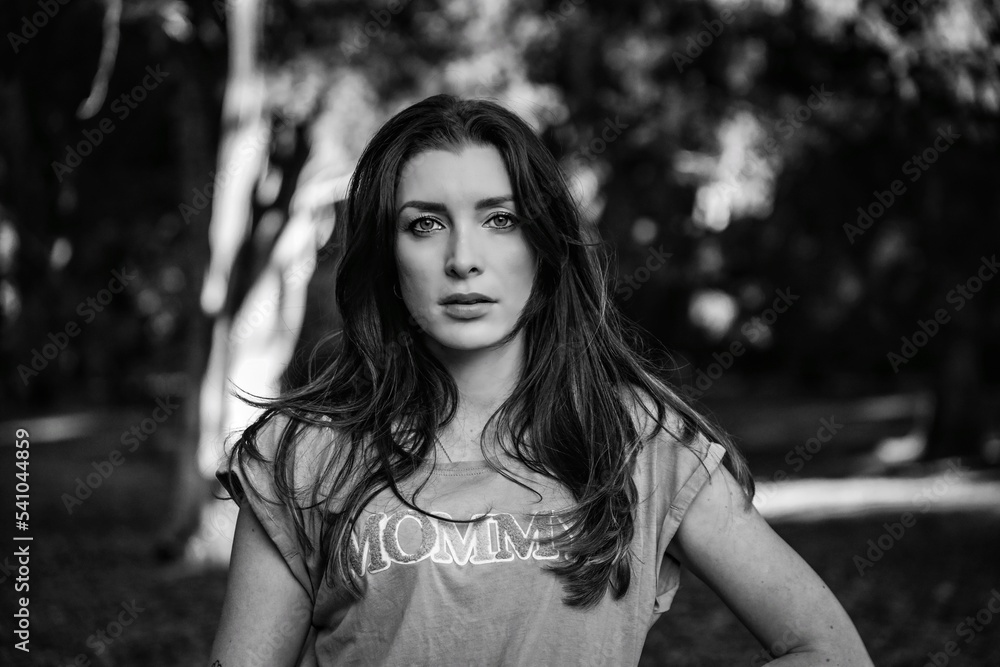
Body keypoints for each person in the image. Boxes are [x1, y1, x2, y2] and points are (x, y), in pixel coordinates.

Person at [209, 94, 874, 666]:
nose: (463, 259)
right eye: (425, 224)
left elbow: (828, 649)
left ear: (543, 245)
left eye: (500, 219)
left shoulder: (637, 440)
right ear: (387, 256)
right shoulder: (304, 453)